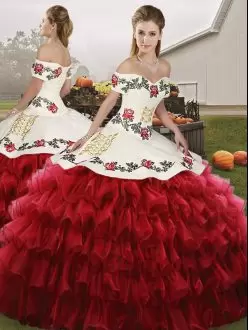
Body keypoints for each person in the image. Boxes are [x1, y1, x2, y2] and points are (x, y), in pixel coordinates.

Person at [0, 5, 246, 330]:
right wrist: (90, 134)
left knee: (174, 200)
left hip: (148, 138)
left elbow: (158, 105)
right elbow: (108, 102)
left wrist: (174, 132)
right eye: (140, 32)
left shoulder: (165, 66)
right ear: (135, 33)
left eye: (151, 33)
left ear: (160, 35)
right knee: (95, 201)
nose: (145, 39)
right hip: (117, 135)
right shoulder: (127, 64)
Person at [0, 5, 91, 228]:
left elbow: (35, 86)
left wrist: (18, 108)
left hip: (40, 109)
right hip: (59, 110)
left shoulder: (44, 49)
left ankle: (19, 218)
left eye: (43, 21)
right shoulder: (66, 52)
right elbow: (66, 89)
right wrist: (53, 96)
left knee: (15, 153)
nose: (40, 25)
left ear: (53, 25)